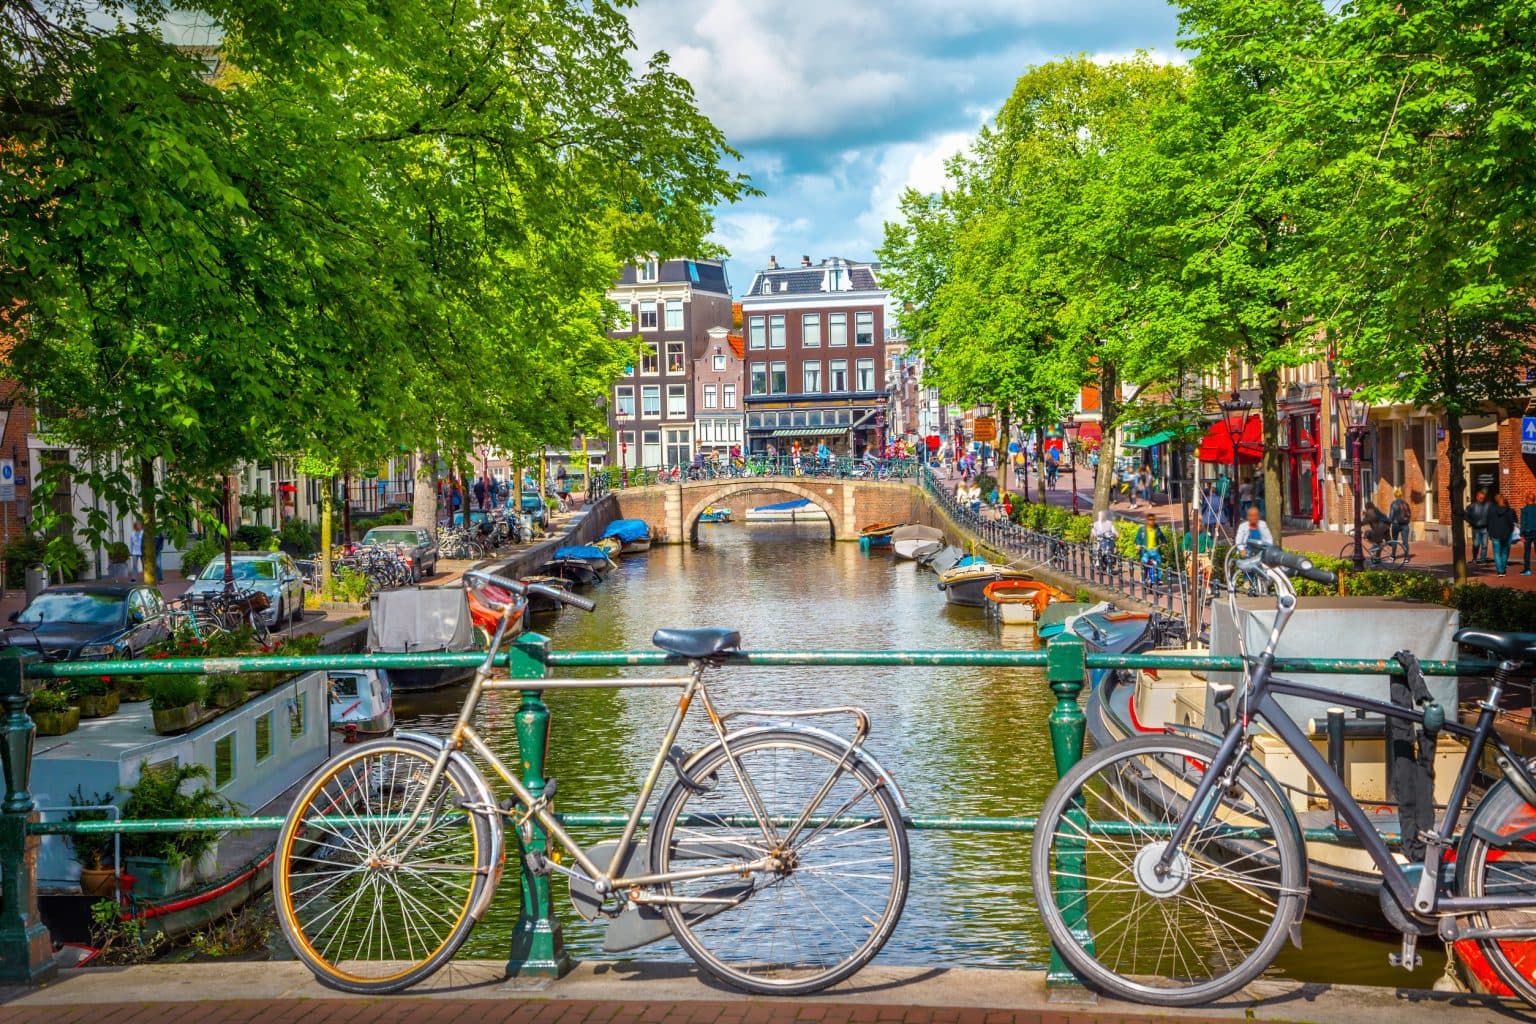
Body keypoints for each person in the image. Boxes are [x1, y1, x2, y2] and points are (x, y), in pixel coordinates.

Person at [1487, 492, 1517, 577]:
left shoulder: (1491, 510)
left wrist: (1490, 532)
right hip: (1507, 534)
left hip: (1495, 533)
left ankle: (1500, 571)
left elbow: (1488, 522)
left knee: (1496, 553)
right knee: (1505, 552)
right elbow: (1514, 522)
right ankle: (1503, 569)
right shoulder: (1510, 511)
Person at [1134, 512, 1164, 585]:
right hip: (1145, 550)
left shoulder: (1157, 529)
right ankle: (1143, 576)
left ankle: (1159, 579)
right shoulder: (1142, 529)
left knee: (1158, 562)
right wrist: (1138, 545)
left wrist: (1164, 543)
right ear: (1147, 520)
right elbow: (1137, 539)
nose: (1152, 521)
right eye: (1150, 519)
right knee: (1144, 562)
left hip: (1155, 550)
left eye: (1153, 519)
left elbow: (1162, 537)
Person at [1465, 489, 1491, 564]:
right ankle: (1474, 558)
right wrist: (1471, 522)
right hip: (1476, 528)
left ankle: (1483, 559)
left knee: (1485, 545)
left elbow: (1492, 515)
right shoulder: (1471, 506)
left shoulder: (1488, 506)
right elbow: (1466, 515)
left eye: (1483, 498)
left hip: (1485, 528)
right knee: (1476, 544)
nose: (1481, 499)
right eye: (1480, 498)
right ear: (1477, 497)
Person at [1388, 487, 1412, 558]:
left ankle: (1393, 556)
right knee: (1405, 542)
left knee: (1394, 540)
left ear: (1395, 495)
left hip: (1396, 525)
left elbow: (1391, 516)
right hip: (1405, 525)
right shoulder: (1405, 503)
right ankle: (1407, 557)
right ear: (1401, 495)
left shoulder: (1393, 503)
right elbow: (1409, 514)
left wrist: (1389, 523)